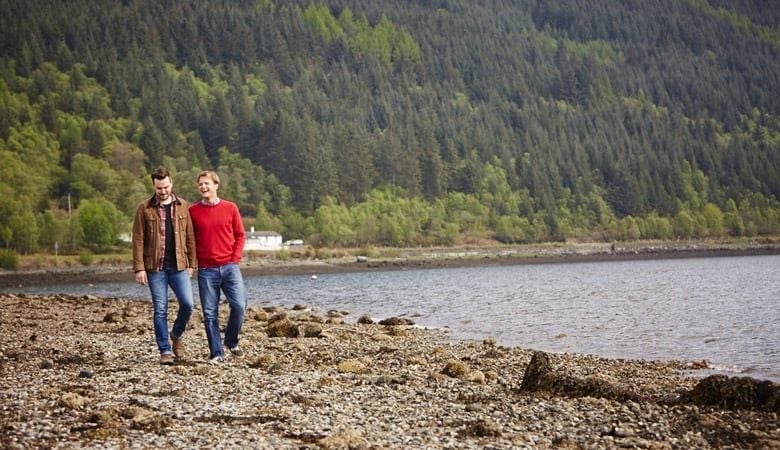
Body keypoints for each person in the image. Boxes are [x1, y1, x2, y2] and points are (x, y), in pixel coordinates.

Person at [132, 167, 197, 365]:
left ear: (171, 184)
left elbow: (189, 236)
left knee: (188, 304)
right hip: (155, 268)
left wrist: (192, 264)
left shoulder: (183, 206)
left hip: (179, 266)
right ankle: (165, 351)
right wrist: (139, 268)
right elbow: (138, 239)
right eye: (159, 188)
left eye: (166, 187)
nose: (163, 191)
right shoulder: (144, 208)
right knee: (160, 309)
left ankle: (176, 335)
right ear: (154, 186)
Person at [189, 170, 247, 363]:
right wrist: (192, 262)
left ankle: (231, 341)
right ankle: (216, 353)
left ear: (216, 185)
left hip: (230, 266)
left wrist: (235, 258)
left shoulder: (230, 208)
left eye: (207, 184)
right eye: (201, 184)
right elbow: (188, 239)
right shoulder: (193, 211)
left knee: (239, 305)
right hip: (206, 270)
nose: (203, 187)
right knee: (210, 313)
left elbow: (240, 235)